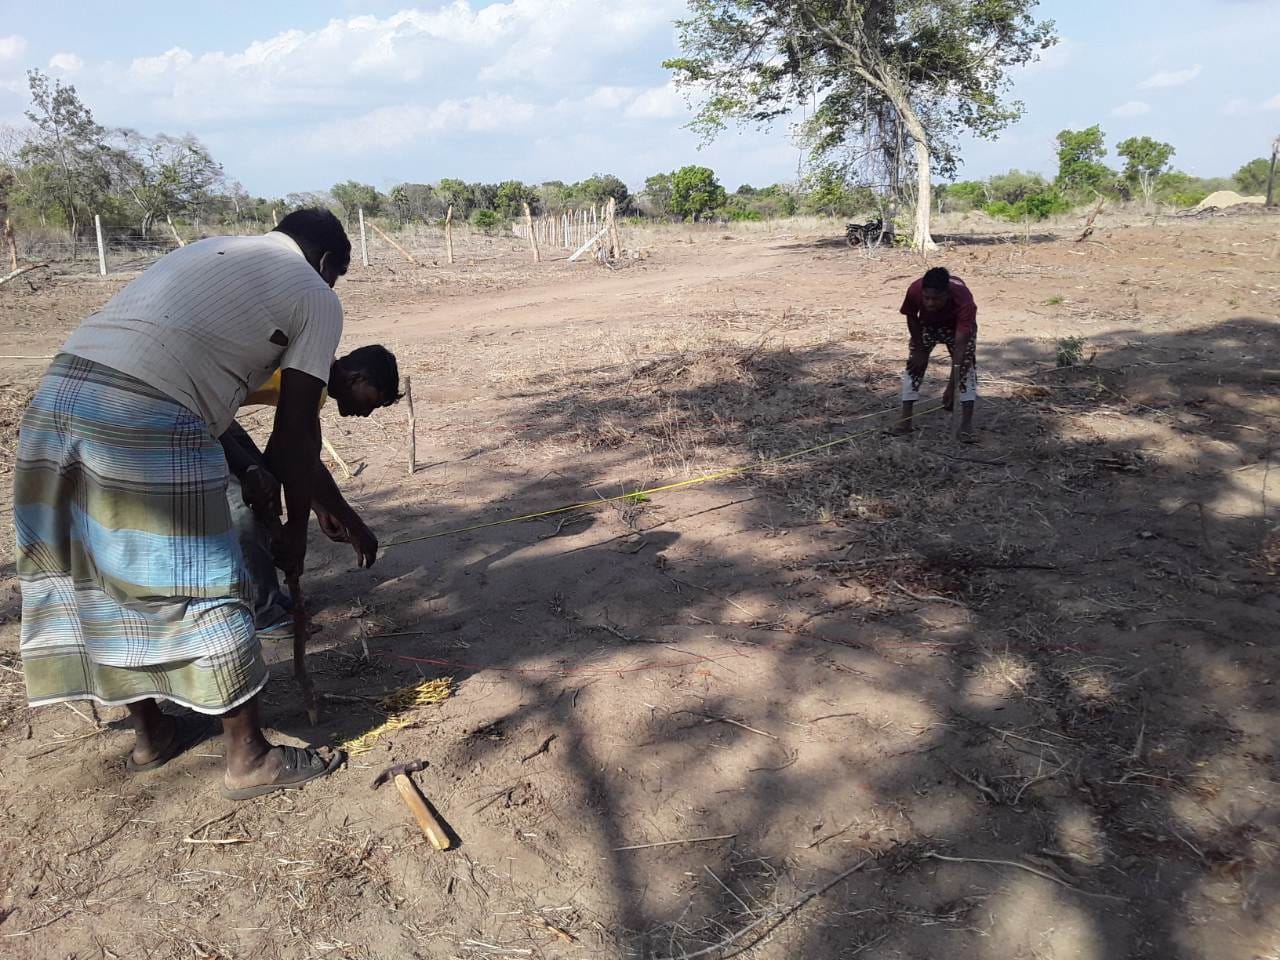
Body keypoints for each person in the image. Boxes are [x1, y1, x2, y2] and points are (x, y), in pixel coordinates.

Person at [14, 208, 352, 799]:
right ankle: (250, 759)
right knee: (201, 580)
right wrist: (295, 533)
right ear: (326, 262)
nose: (332, 287)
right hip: (147, 413)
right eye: (336, 276)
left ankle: (153, 735)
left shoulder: (208, 250)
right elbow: (296, 432)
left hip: (56, 399)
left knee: (98, 573)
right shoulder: (315, 294)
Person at [222, 345, 402, 638]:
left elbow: (301, 456)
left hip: (214, 410)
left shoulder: (314, 375)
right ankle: (263, 613)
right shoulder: (312, 375)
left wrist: (321, 508)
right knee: (247, 503)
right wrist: (354, 525)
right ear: (356, 378)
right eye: (371, 401)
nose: (366, 413)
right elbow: (294, 455)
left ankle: (270, 596)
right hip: (187, 405)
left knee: (263, 484)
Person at [896, 266, 978, 440]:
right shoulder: (915, 290)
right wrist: (919, 349)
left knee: (966, 367)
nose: (930, 303)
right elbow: (911, 316)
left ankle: (966, 426)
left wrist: (951, 387)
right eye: (926, 298)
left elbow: (961, 348)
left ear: (947, 294)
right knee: (914, 365)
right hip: (928, 325)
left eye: (936, 299)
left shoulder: (964, 301)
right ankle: (905, 421)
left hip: (956, 327)